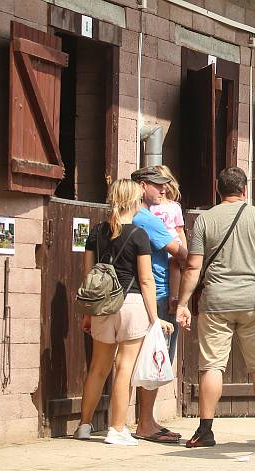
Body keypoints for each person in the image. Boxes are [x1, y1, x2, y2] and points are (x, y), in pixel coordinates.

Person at [176, 166, 255, 448]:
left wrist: (183, 302)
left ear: (218, 190)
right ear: (245, 190)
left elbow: (193, 265)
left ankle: (205, 430)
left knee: (212, 365)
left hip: (216, 302)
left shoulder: (205, 220)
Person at [74, 179, 174, 445]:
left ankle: (84, 426)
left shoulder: (95, 232)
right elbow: (146, 280)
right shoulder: (139, 234)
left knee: (98, 367)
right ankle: (117, 429)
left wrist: (88, 312)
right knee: (124, 367)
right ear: (135, 202)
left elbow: (89, 276)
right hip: (131, 304)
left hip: (102, 305)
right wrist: (155, 319)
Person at [130, 166, 188, 443]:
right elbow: (180, 253)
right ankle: (144, 424)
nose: (163, 189)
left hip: (139, 295)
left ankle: (144, 420)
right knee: (157, 357)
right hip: (160, 294)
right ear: (142, 186)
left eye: (164, 184)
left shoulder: (126, 216)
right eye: (157, 185)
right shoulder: (149, 220)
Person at [149, 165, 187, 314]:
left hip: (172, 244)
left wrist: (184, 249)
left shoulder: (174, 207)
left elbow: (180, 230)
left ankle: (174, 298)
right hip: (156, 245)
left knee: (174, 265)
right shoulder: (150, 207)